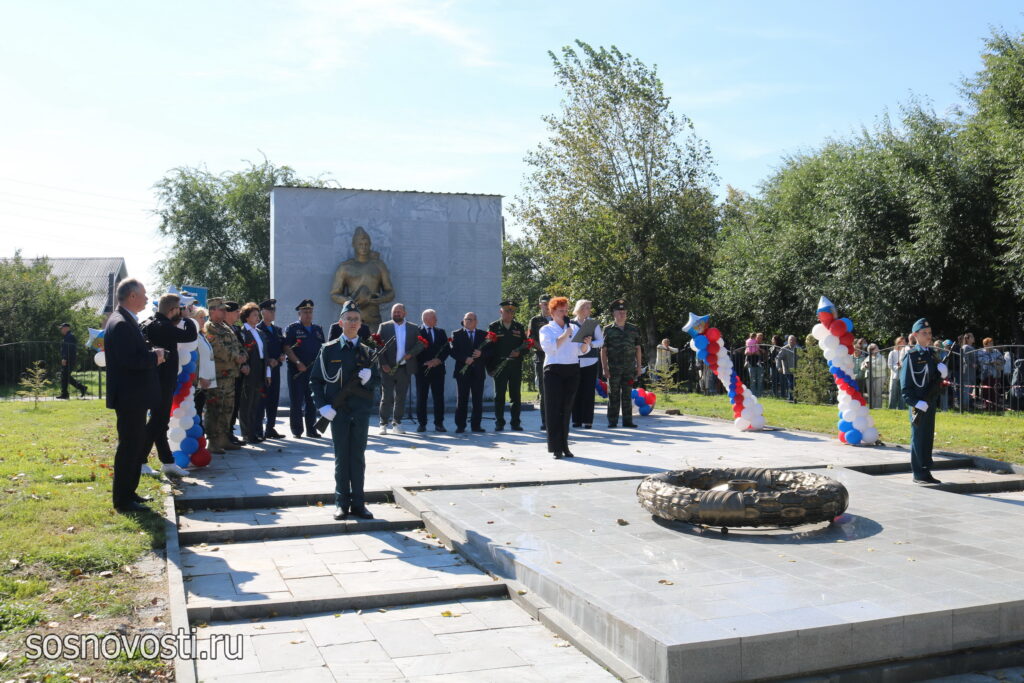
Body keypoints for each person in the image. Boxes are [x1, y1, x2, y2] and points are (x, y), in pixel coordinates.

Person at [310, 300, 379, 521]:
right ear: (340, 323)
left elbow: (377, 380)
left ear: (361, 324)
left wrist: (370, 379)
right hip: (337, 412)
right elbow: (315, 380)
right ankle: (341, 503)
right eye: (348, 318)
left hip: (359, 411)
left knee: (357, 457)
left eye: (356, 319)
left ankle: (358, 503)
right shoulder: (328, 350)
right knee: (341, 457)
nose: (352, 322)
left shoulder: (368, 352)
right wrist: (322, 406)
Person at [103, 278, 165, 513]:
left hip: (134, 395)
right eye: (144, 294)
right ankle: (122, 499)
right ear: (131, 296)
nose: (147, 299)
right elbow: (130, 361)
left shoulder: (126, 320)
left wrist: (150, 353)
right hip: (130, 396)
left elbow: (132, 354)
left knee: (134, 444)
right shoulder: (120, 323)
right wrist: (155, 357)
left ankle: (130, 493)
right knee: (129, 447)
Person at [140, 292, 198, 477]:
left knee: (161, 422)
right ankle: (140, 461)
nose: (182, 312)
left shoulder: (150, 322)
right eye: (180, 309)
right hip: (162, 381)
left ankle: (168, 461)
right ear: (173, 310)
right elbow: (190, 335)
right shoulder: (163, 326)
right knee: (157, 421)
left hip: (157, 379)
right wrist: (187, 318)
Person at [540, 296, 592, 458]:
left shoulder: (575, 328)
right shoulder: (546, 329)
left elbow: (580, 351)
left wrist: (586, 343)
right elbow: (549, 348)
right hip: (553, 370)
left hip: (572, 369)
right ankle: (555, 448)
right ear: (552, 312)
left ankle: (565, 446)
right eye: (561, 310)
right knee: (553, 410)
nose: (564, 313)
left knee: (566, 409)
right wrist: (564, 334)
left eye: (565, 310)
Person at [900, 318, 948, 485]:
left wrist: (942, 374)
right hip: (919, 403)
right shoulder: (911, 356)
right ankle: (918, 473)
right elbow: (905, 387)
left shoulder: (931, 354)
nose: (928, 336)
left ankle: (926, 470)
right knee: (918, 437)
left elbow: (933, 381)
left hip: (930, 402)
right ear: (915, 335)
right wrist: (915, 402)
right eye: (924, 333)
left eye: (930, 333)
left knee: (927, 437)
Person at [329, 226, 395, 331]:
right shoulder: (345, 267)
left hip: (373, 317)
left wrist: (379, 299)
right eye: (360, 244)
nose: (363, 247)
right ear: (354, 245)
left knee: (374, 346)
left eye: (366, 244)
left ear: (370, 245)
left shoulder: (379, 265)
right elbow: (334, 294)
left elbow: (390, 292)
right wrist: (350, 302)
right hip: (352, 317)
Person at [204, 298, 246, 453]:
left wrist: (243, 355)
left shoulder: (226, 328)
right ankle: (213, 441)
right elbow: (217, 348)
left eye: (224, 309)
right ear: (212, 310)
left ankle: (223, 438)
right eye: (221, 309)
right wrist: (236, 357)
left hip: (230, 375)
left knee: (228, 408)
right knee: (215, 408)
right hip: (218, 376)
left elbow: (239, 345)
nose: (224, 312)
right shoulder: (209, 327)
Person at [376, 303, 421, 435]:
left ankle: (397, 423)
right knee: (387, 396)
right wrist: (383, 363)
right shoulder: (384, 327)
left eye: (399, 312)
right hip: (387, 368)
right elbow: (378, 346)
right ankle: (383, 423)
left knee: (401, 397)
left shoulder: (413, 328)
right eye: (394, 312)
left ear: (404, 313)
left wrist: (411, 354)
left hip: (404, 368)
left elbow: (421, 344)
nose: (397, 314)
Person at [283, 299, 325, 438]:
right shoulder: (293, 329)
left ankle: (311, 430)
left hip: (313, 371)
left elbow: (323, 349)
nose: (308, 314)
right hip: (297, 370)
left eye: (310, 311)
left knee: (311, 401)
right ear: (299, 313)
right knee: (296, 400)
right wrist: (298, 362)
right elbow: (287, 348)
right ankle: (297, 430)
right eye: (305, 312)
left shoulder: (318, 329)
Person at [487, 300, 528, 432]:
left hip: (515, 366)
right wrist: (490, 368)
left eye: (512, 311)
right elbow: (488, 349)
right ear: (501, 311)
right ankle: (499, 422)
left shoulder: (519, 327)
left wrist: (519, 352)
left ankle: (515, 423)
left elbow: (526, 346)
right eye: (507, 311)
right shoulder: (493, 327)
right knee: (499, 396)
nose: (509, 314)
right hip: (499, 366)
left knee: (515, 396)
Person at [601, 299, 641, 428]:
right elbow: (603, 350)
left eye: (624, 311)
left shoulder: (633, 329)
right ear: (613, 313)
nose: (622, 314)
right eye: (619, 311)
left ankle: (627, 421)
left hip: (629, 368)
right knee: (613, 395)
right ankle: (612, 421)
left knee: (627, 394)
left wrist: (639, 366)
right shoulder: (607, 329)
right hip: (613, 368)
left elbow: (638, 348)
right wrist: (605, 368)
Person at [238, 302, 272, 444]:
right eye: (254, 315)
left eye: (257, 315)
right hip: (249, 370)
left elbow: (265, 353)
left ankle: (253, 431)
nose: (257, 317)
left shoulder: (259, 332)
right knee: (247, 403)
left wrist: (268, 373)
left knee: (255, 403)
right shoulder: (242, 332)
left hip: (260, 370)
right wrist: (244, 365)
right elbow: (241, 350)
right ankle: (247, 433)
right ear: (246, 317)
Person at [450, 312, 488, 433]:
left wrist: (482, 354)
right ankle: (460, 425)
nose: (468, 321)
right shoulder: (456, 334)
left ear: (476, 322)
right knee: (462, 400)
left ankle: (476, 425)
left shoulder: (484, 335)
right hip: (462, 372)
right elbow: (453, 351)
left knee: (477, 400)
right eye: (466, 319)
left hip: (478, 372)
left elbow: (491, 351)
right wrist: (464, 358)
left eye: (471, 320)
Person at [571, 300, 604, 429]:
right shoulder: (570, 323)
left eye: (589, 308)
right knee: (575, 391)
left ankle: (587, 420)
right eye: (585, 307)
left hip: (590, 361)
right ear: (578, 309)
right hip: (574, 361)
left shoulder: (592, 323)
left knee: (588, 391)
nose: (588, 310)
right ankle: (576, 420)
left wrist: (591, 344)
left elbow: (601, 341)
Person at [415, 309, 449, 432]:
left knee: (438, 397)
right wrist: (426, 363)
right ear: (426, 319)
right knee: (421, 397)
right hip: (422, 370)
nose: (436, 319)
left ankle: (439, 423)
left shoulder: (441, 332)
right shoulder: (417, 332)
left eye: (435, 317)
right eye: (434, 317)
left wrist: (438, 360)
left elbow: (446, 349)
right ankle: (422, 423)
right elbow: (413, 351)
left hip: (438, 370)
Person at [256, 299, 286, 439]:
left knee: (273, 399)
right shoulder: (257, 330)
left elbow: (282, 348)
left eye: (274, 310)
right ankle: (258, 429)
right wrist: (268, 361)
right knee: (261, 400)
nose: (273, 313)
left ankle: (270, 428)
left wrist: (281, 356)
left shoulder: (277, 330)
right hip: (262, 371)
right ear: (263, 312)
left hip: (275, 370)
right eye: (270, 310)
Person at [529, 295, 552, 430]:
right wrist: (544, 349)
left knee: (556, 391)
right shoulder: (535, 320)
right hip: (541, 359)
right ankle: (545, 421)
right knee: (544, 391)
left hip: (556, 359)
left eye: (549, 304)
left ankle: (556, 419)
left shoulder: (557, 318)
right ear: (540, 305)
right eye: (544, 304)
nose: (547, 306)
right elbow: (531, 338)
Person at [192, 306, 216, 429]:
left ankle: (200, 440)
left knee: (200, 410)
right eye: (200, 317)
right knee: (196, 411)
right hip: (199, 382)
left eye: (204, 317)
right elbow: (195, 359)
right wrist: (200, 377)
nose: (203, 320)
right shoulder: (193, 336)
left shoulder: (201, 334)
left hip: (206, 381)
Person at [57, 322, 87, 399]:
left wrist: (64, 358)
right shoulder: (67, 336)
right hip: (69, 359)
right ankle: (80, 388)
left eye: (62, 328)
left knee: (65, 376)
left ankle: (67, 393)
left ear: (66, 328)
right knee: (65, 376)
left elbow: (68, 349)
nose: (61, 330)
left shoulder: (69, 337)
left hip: (69, 360)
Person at [860, 343, 886, 409]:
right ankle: (871, 407)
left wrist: (872, 366)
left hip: (879, 377)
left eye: (874, 348)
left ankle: (878, 408)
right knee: (870, 393)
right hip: (869, 377)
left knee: (877, 393)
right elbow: (861, 367)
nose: (875, 349)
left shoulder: (881, 357)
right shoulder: (867, 358)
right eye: (871, 349)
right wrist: (865, 366)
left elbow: (883, 367)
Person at [887, 336, 907, 410]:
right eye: (903, 342)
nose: (904, 343)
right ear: (898, 343)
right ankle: (891, 408)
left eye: (905, 341)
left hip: (903, 376)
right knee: (893, 393)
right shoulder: (892, 352)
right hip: (895, 376)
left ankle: (901, 408)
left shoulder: (906, 352)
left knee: (902, 393)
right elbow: (889, 365)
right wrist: (897, 367)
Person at [776, 335, 798, 401]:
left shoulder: (798, 349)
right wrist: (779, 367)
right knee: (791, 384)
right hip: (788, 370)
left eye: (793, 340)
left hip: (797, 370)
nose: (791, 341)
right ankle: (790, 398)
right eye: (790, 340)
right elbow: (778, 358)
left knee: (796, 385)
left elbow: (802, 358)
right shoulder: (784, 349)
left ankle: (795, 398)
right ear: (787, 341)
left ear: (795, 341)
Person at [745, 332, 765, 397]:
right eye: (758, 338)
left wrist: (760, 351)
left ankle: (759, 394)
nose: (759, 339)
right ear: (755, 338)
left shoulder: (764, 345)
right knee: (752, 380)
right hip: (751, 364)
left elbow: (765, 353)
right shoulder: (752, 343)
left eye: (761, 338)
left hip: (760, 365)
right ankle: (753, 395)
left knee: (760, 381)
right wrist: (749, 353)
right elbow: (746, 352)